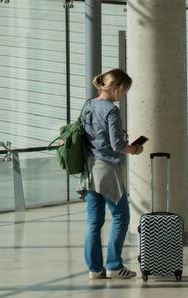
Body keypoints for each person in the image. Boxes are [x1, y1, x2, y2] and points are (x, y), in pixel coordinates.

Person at [81, 68, 143, 279]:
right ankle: (115, 266)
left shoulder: (89, 105)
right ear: (116, 86)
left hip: (89, 168)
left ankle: (95, 269)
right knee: (121, 217)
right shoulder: (111, 110)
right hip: (107, 169)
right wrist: (133, 149)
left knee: (94, 221)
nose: (123, 95)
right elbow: (117, 144)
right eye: (124, 90)